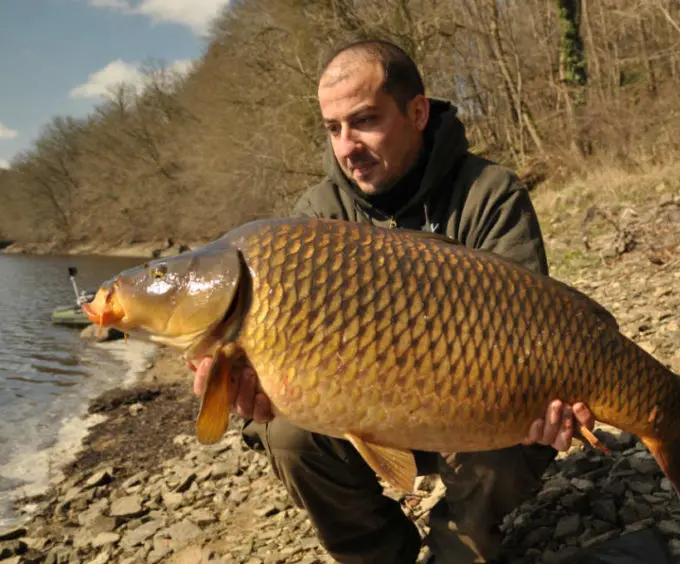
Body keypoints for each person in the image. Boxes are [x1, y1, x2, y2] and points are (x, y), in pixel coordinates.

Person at [190, 39, 598, 563]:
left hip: (473, 409)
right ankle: (379, 554)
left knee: (521, 424)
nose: (346, 146)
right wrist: (252, 393)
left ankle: (461, 549)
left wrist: (555, 404)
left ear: (418, 112)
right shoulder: (316, 215)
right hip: (364, 408)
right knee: (289, 437)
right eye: (332, 128)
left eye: (363, 121)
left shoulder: (489, 193)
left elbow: (533, 335)